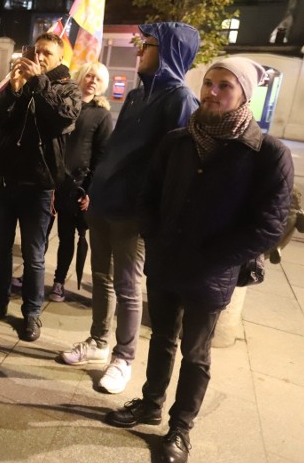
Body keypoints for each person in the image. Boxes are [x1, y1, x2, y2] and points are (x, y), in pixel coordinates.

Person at [105, 57, 293, 463]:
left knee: (196, 353)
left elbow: (267, 226)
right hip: (166, 261)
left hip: (210, 273)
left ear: (245, 93)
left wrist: (213, 259)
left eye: (225, 85)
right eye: (209, 83)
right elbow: (148, 195)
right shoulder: (177, 141)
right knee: (160, 339)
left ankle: (180, 427)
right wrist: (154, 238)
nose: (212, 91)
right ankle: (151, 402)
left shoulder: (267, 153)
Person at [60, 23, 200, 395]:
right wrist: (95, 190)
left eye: (146, 44)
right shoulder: (138, 96)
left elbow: (175, 167)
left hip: (133, 213)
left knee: (127, 285)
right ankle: (98, 342)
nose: (138, 51)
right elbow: (114, 152)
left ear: (169, 50)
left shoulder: (181, 100)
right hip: (104, 202)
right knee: (101, 278)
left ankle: (123, 357)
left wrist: (149, 211)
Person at [0, 33, 81, 344]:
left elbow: (62, 118)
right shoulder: (20, 82)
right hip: (5, 180)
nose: (40, 57)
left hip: (38, 185)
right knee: (0, 248)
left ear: (60, 58)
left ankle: (32, 312)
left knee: (34, 255)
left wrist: (37, 84)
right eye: (36, 51)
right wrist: (13, 92)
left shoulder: (65, 87)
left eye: (47, 52)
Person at [48, 62, 113, 302]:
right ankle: (29, 274)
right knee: (39, 234)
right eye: (89, 76)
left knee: (67, 237)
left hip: (74, 185)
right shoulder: (66, 106)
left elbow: (101, 156)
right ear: (81, 77)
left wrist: (90, 191)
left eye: (97, 78)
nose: (92, 81)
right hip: (49, 180)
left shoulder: (101, 115)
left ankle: (58, 281)